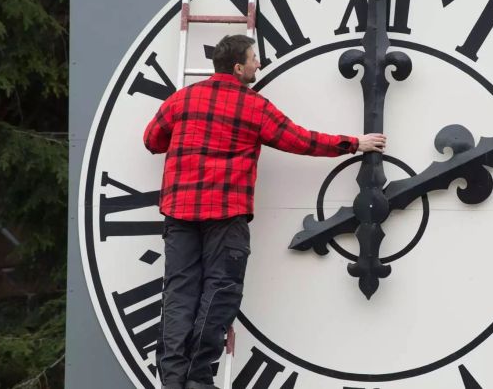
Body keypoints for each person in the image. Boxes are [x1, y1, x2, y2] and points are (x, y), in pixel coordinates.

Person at [143, 34, 386, 389]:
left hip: (179, 214)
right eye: (254, 58)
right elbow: (301, 140)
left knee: (179, 293)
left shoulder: (181, 100)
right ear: (239, 67)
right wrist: (353, 144)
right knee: (219, 292)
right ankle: (196, 378)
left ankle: (172, 379)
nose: (259, 63)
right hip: (226, 216)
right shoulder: (253, 107)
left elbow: (152, 140)